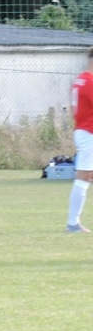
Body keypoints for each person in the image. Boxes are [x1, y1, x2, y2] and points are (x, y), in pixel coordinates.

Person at [68, 46, 93, 232]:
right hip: (88, 132)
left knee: (85, 175)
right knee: (84, 176)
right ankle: (72, 223)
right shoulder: (90, 81)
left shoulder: (80, 80)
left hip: (83, 129)